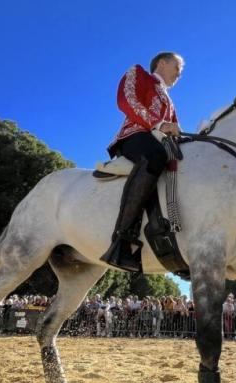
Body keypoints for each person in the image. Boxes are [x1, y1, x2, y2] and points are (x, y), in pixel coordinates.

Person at [100, 52, 184, 271]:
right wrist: (158, 124)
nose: (179, 73)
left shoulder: (171, 103)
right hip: (134, 136)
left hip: (160, 143)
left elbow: (174, 132)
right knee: (155, 155)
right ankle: (122, 240)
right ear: (162, 63)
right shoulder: (138, 73)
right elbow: (126, 100)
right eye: (178, 67)